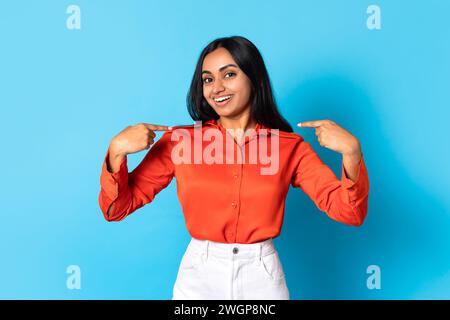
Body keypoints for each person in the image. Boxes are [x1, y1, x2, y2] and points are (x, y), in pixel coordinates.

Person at [98, 36, 370, 300]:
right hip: (199, 277)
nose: (216, 88)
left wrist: (352, 154)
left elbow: (349, 212)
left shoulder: (289, 147)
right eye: (208, 79)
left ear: (254, 78)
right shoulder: (180, 142)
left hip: (262, 276)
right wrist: (116, 152)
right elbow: (116, 208)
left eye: (229, 74)